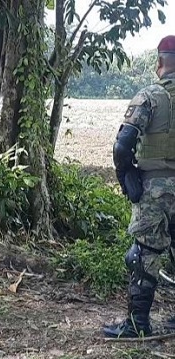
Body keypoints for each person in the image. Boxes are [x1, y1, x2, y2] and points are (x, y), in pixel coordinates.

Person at [104, 35, 175, 338]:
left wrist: (126, 176)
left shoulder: (150, 96)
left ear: (159, 62)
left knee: (143, 252)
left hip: (156, 187)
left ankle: (137, 324)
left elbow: (123, 146)